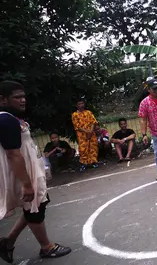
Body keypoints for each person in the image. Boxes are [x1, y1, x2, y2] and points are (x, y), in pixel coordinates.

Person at [0, 81, 71, 263]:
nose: (23, 100)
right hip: (22, 173)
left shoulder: (12, 118)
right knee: (35, 209)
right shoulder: (5, 119)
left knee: (37, 205)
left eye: (23, 96)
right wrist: (26, 184)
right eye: (17, 97)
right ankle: (47, 247)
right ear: (2, 100)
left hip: (29, 170)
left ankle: (8, 242)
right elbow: (13, 155)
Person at [71, 99, 98, 171]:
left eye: (82, 103)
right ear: (76, 106)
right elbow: (77, 126)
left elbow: (93, 122)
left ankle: (93, 162)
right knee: (83, 149)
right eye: (79, 104)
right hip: (82, 135)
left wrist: (91, 131)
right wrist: (87, 131)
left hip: (91, 133)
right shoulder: (74, 115)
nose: (81, 105)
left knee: (93, 147)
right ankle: (84, 164)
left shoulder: (88, 112)